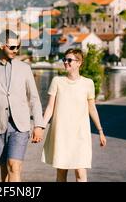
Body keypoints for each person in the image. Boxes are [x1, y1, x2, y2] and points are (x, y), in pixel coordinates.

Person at [0, 29, 45, 182]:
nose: (16, 50)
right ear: (0, 45)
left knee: (13, 166)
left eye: (18, 47)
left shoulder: (25, 69)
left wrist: (38, 125)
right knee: (4, 168)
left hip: (20, 126)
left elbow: (34, 98)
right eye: (12, 47)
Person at [41, 48, 107, 182]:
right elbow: (50, 108)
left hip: (80, 134)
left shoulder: (88, 83)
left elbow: (92, 108)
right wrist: (40, 127)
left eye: (69, 60)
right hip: (61, 133)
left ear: (79, 63)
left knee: (80, 172)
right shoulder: (57, 81)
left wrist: (100, 131)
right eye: (64, 59)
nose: (66, 62)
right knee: (61, 172)